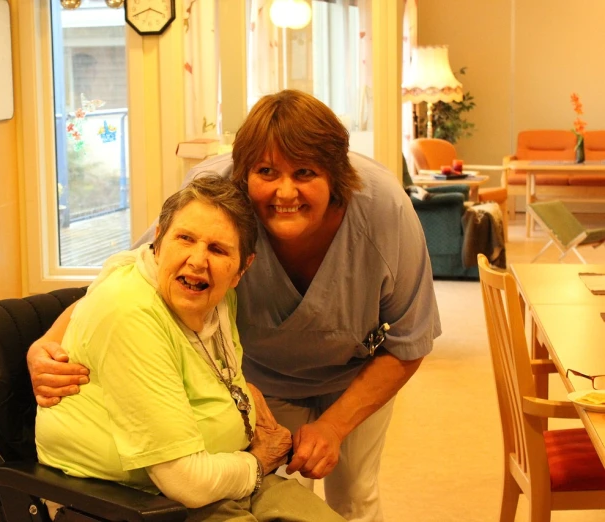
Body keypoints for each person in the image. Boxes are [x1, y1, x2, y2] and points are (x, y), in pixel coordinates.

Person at [29, 90, 441, 522]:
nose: (285, 191)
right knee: (275, 490)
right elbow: (137, 272)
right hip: (262, 380)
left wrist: (333, 428)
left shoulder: (384, 212)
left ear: (336, 176)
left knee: (357, 494)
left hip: (357, 372)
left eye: (305, 172)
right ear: (244, 175)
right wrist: (45, 343)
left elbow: (410, 340)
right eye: (266, 171)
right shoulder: (213, 195)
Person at [35, 176, 346, 521]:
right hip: (141, 501)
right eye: (185, 238)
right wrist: (257, 463)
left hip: (223, 477)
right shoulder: (130, 312)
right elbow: (186, 482)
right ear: (158, 241)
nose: (198, 261)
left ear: (242, 269)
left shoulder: (217, 298)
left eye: (218, 249)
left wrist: (245, 401)